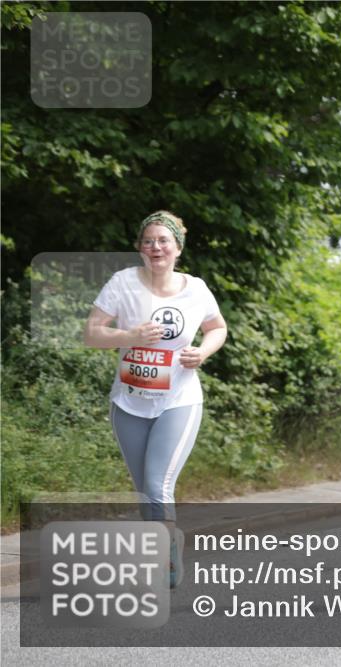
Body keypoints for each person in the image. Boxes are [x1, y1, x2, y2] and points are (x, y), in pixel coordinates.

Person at [84, 210, 228, 589]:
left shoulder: (196, 289)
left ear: (177, 248)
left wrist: (203, 351)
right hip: (128, 403)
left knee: (157, 483)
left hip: (178, 400)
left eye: (163, 241)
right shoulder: (123, 283)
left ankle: (162, 563)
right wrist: (129, 336)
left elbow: (217, 327)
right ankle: (168, 541)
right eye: (148, 241)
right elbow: (92, 333)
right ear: (139, 247)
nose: (155, 247)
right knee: (145, 490)